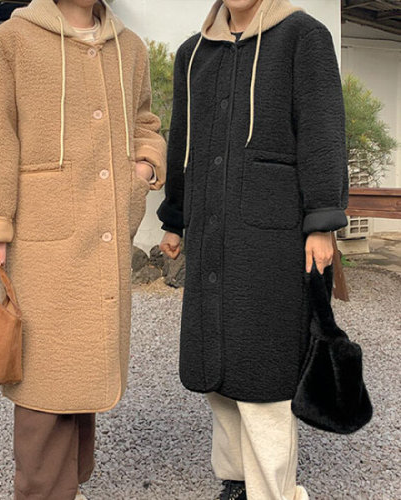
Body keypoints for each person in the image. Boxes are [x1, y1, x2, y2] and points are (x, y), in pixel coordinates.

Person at [0, 0, 166, 498]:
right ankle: (42, 490)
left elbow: (146, 122)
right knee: (44, 374)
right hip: (40, 236)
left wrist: (143, 167)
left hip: (105, 231)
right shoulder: (10, 41)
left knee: (86, 365)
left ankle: (67, 484)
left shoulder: (130, 47)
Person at [158, 0, 349, 499]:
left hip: (273, 236)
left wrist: (322, 221)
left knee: (266, 375)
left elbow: (323, 131)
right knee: (218, 373)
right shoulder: (193, 53)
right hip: (210, 232)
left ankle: (274, 492)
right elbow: (182, 140)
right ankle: (237, 481)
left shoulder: (302, 36)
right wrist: (174, 218)